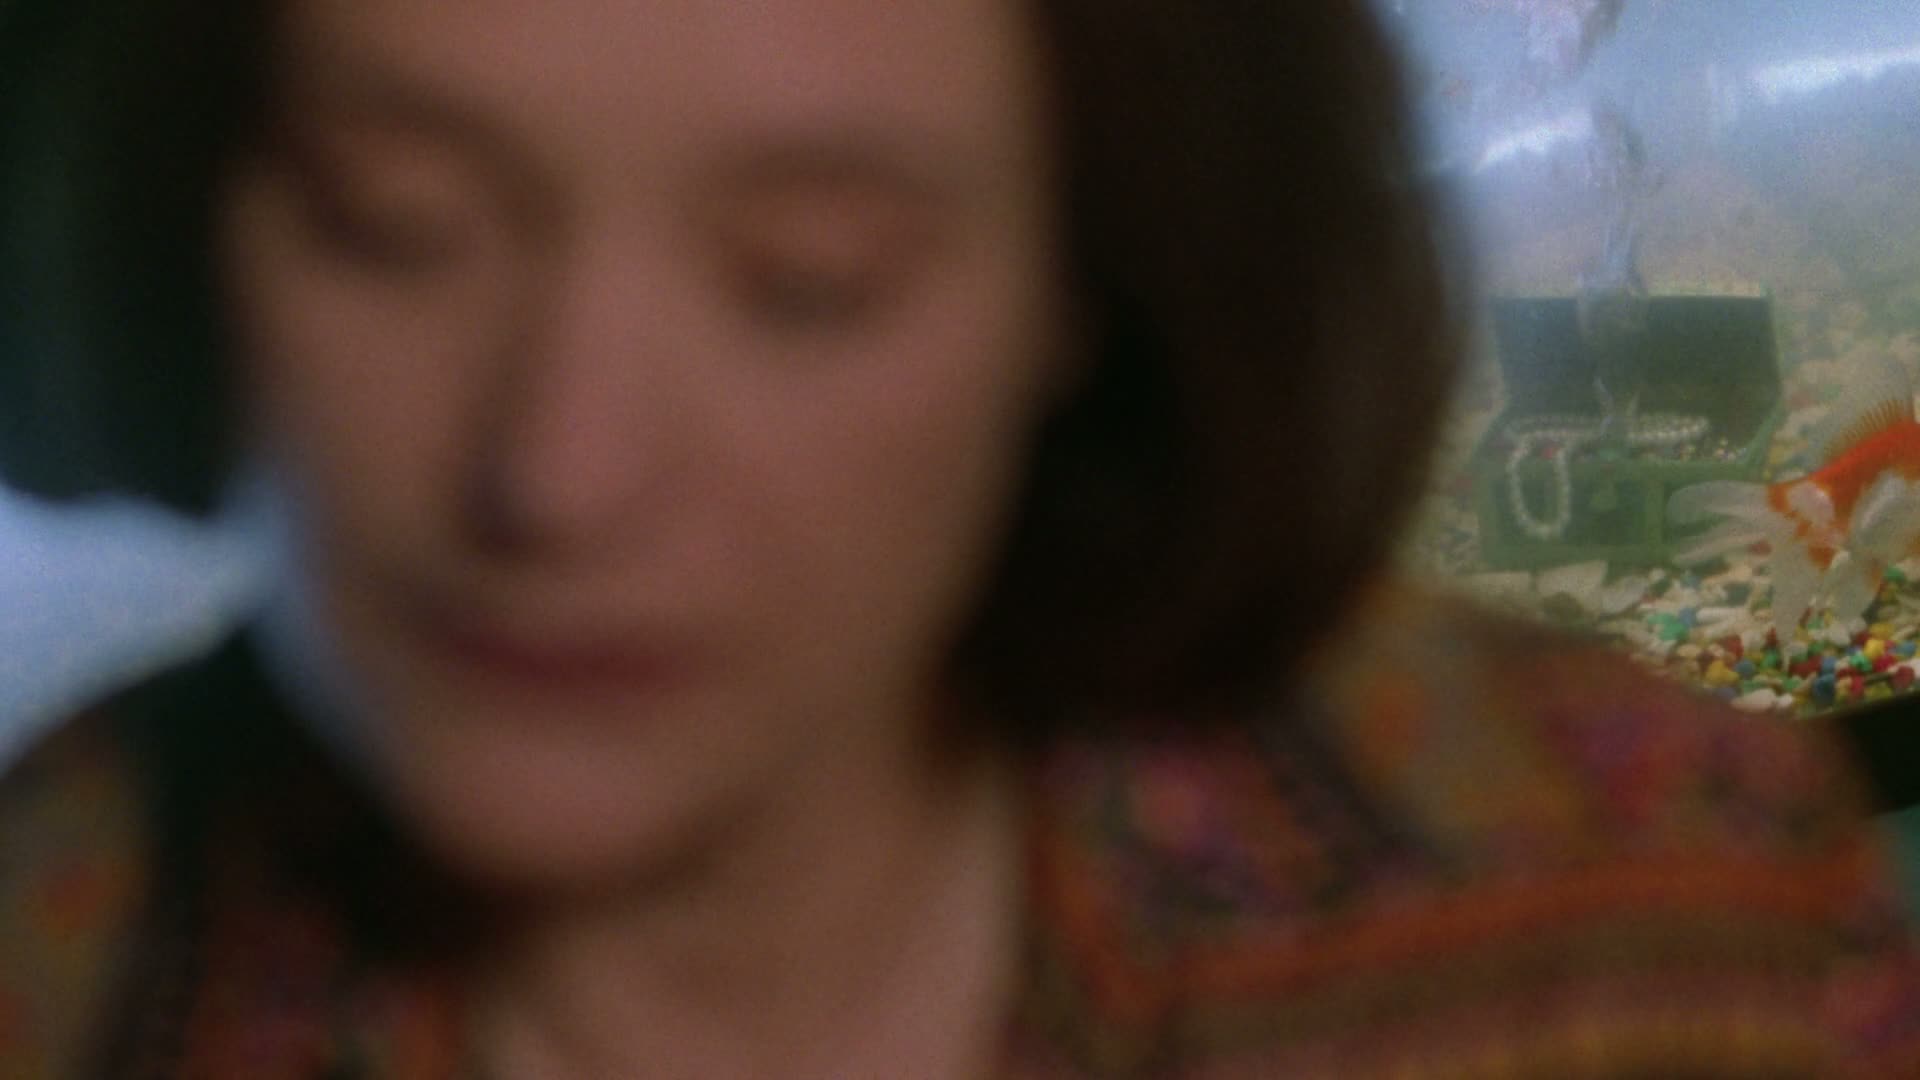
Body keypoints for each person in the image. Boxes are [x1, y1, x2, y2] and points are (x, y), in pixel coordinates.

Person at [3, 0, 1919, 1076]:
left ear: (1086, 284)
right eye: (392, 223)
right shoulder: (58, 973)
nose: (559, 470)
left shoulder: (1644, 935)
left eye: (810, 277)